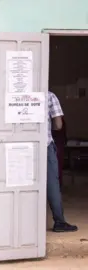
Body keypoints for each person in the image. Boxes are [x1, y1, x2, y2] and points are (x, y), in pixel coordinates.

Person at [47, 91, 77, 232]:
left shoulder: (14, 94)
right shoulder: (49, 96)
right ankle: (59, 222)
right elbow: (58, 125)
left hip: (18, 147)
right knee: (52, 183)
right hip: (45, 145)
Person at [52, 117, 67, 188]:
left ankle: (57, 186)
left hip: (56, 143)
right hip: (59, 143)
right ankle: (57, 186)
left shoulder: (55, 119)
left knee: (56, 167)